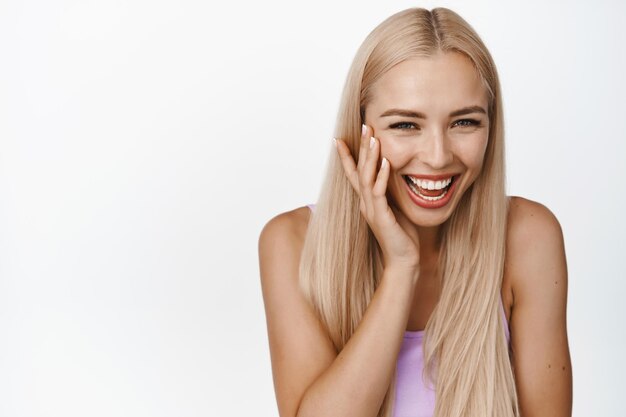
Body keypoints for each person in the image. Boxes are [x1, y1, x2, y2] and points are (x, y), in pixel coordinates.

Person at [258, 7, 572, 417]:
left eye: (464, 122)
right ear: (361, 128)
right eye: (406, 125)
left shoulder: (529, 238)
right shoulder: (293, 243)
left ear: (491, 127)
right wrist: (400, 268)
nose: (438, 157)